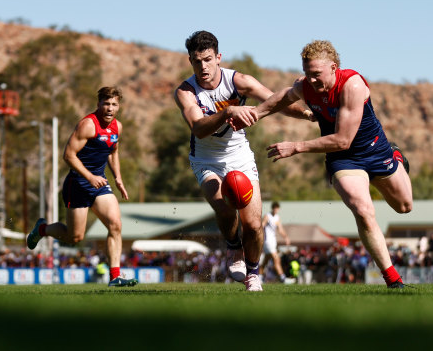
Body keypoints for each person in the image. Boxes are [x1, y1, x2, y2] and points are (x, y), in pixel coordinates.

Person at [235, 40, 413, 288]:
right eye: (308, 74)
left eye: (317, 75)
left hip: (374, 150)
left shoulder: (352, 85)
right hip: (344, 160)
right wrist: (255, 113)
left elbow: (343, 139)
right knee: (363, 210)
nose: (312, 80)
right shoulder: (305, 86)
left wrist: (296, 146)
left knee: (404, 206)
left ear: (334, 67)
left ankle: (397, 157)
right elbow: (282, 99)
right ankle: (393, 280)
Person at [174, 31, 312, 291]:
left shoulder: (239, 81)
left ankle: (253, 273)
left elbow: (275, 101)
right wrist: (227, 111)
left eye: (207, 59)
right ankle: (234, 247)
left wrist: (308, 114)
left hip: (239, 157)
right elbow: (198, 128)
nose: (202, 66)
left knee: (253, 223)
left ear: (218, 58)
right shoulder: (186, 92)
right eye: (196, 61)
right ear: (190, 61)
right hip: (206, 160)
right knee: (225, 209)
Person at [26, 86, 138, 287]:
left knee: (115, 224)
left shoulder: (117, 127)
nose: (110, 108)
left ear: (118, 106)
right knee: (75, 236)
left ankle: (115, 277)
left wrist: (118, 178)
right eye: (106, 104)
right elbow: (68, 155)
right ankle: (42, 229)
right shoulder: (88, 125)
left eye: (114, 104)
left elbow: (113, 152)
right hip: (77, 184)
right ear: (98, 104)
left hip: (100, 184)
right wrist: (89, 176)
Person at [260, 201, 295, 284]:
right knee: (277, 259)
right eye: (274, 208)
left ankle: (259, 277)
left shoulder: (277, 218)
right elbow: (261, 226)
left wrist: (286, 237)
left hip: (273, 241)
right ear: (272, 208)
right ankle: (283, 279)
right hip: (267, 241)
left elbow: (280, 229)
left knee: (265, 261)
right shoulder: (267, 216)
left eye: (277, 209)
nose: (276, 210)